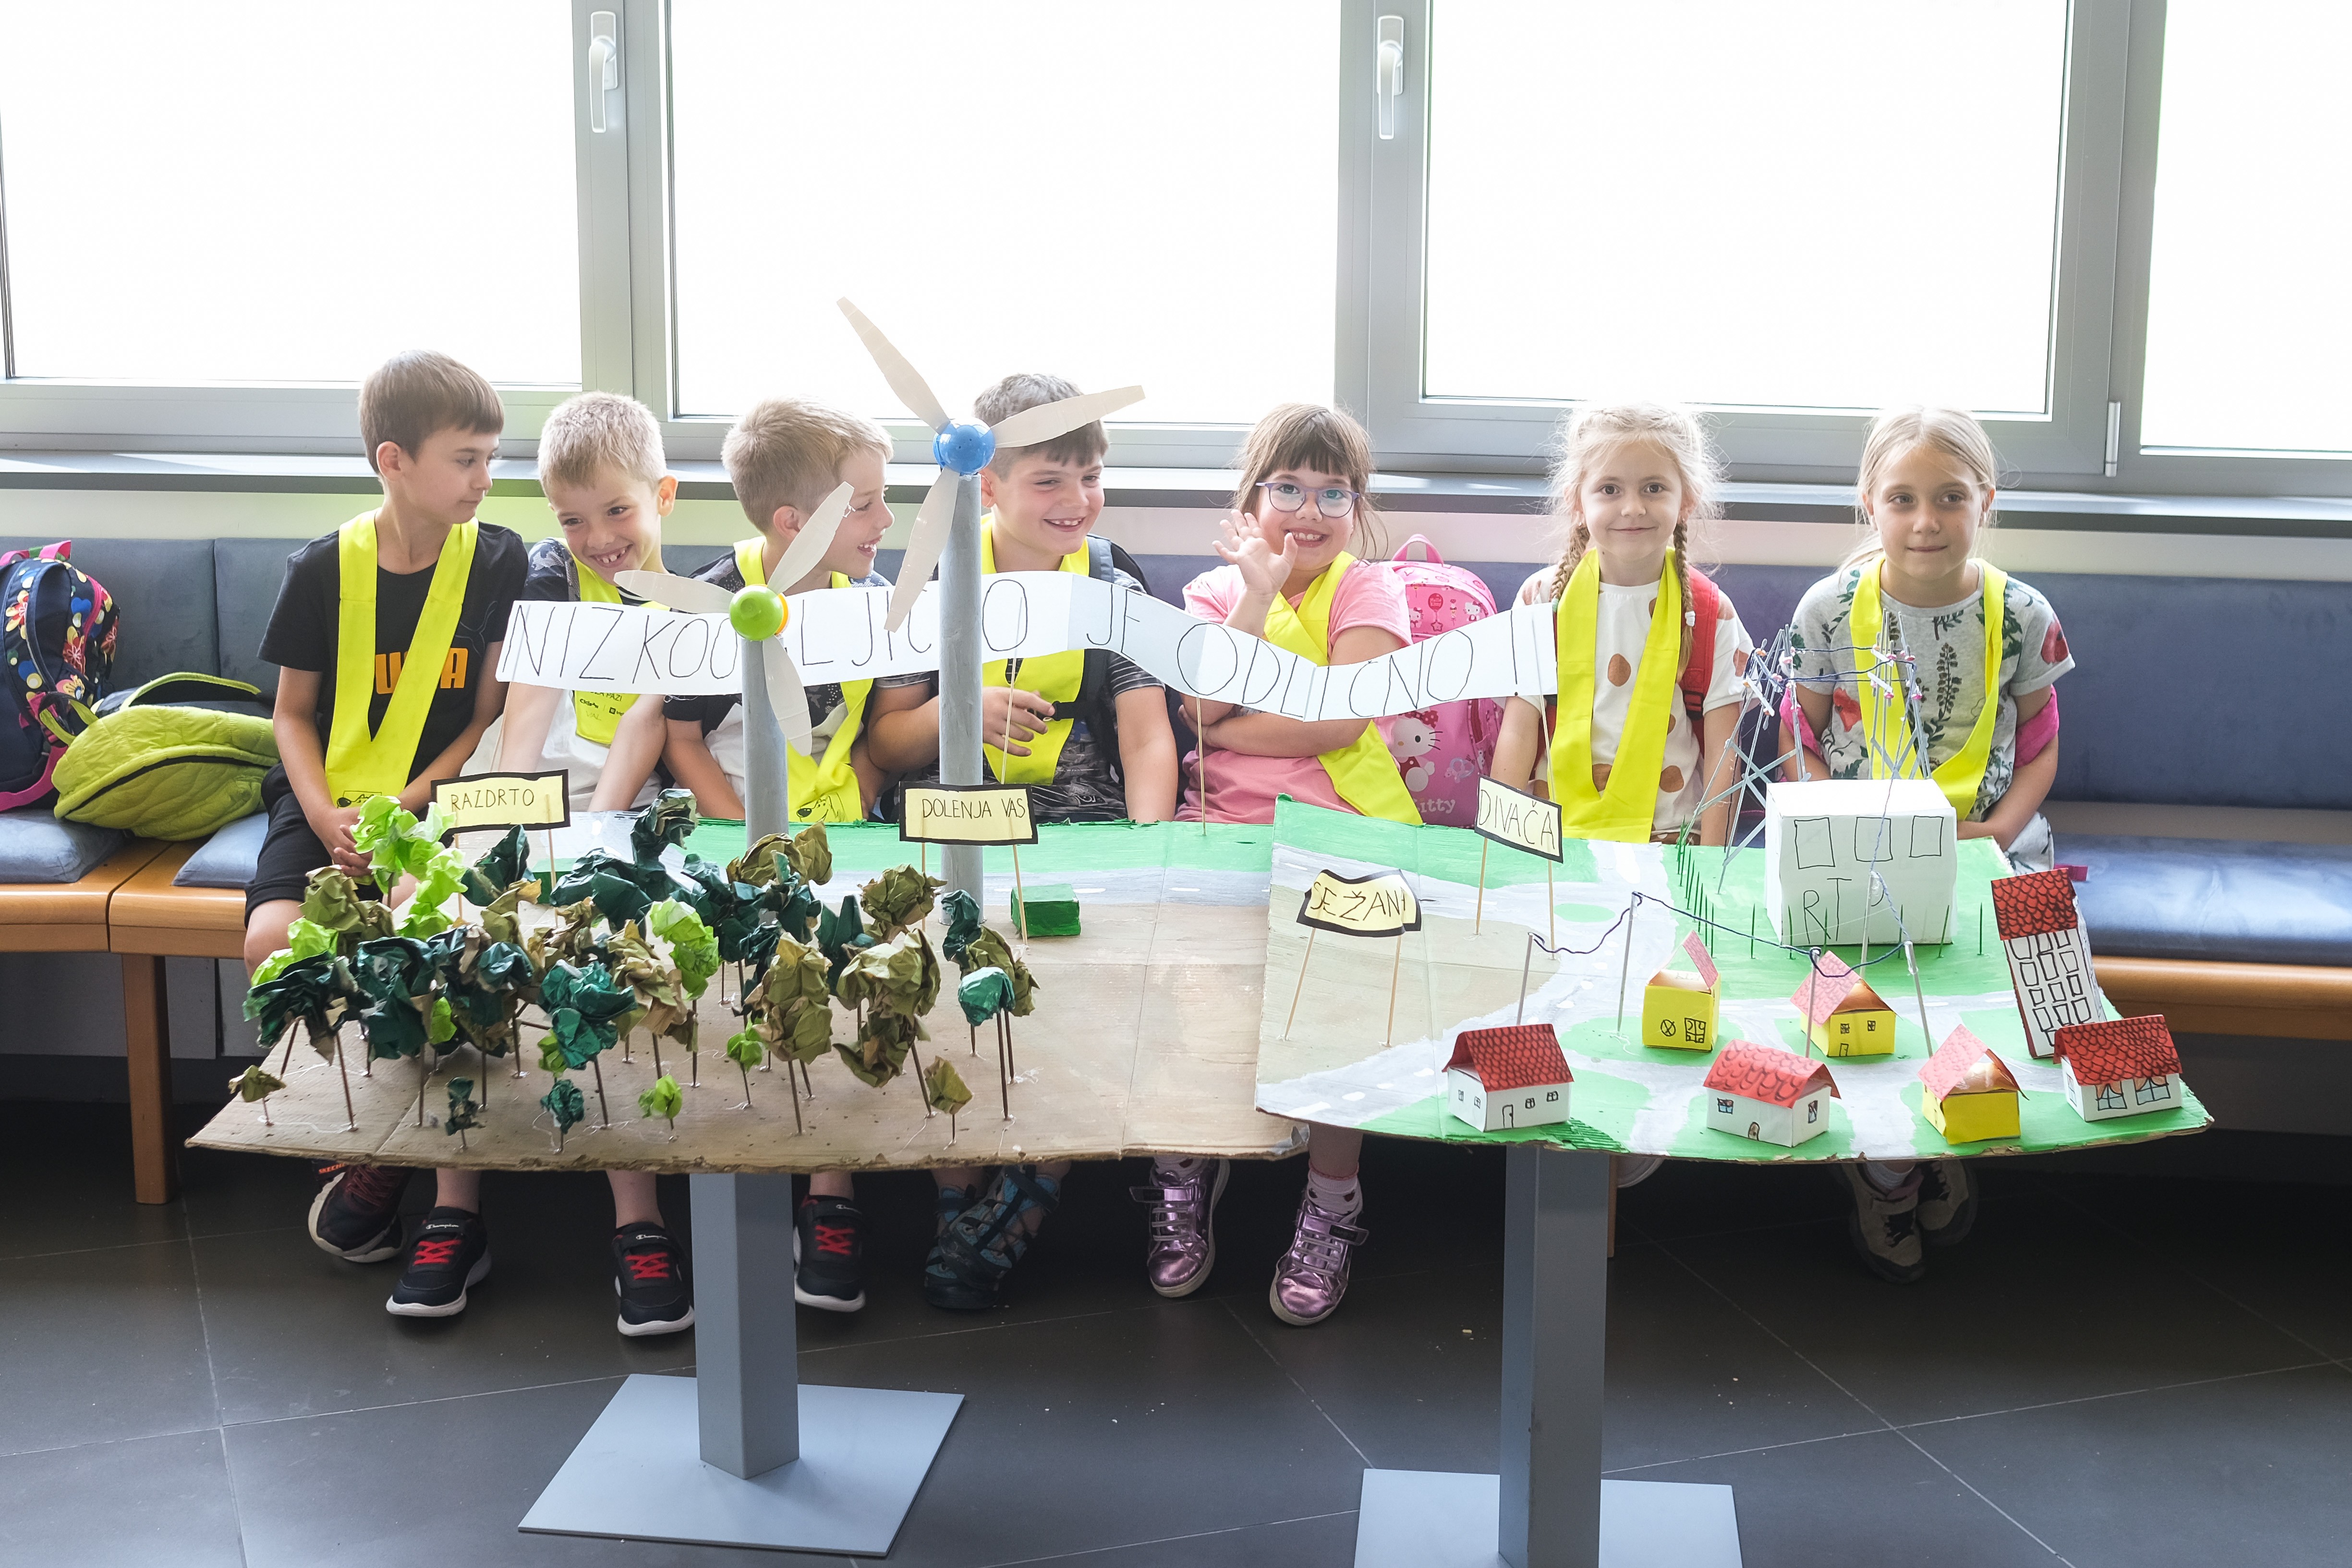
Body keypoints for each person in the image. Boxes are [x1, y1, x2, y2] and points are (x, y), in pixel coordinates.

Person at [379, 389, 695, 1337]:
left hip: (615, 804)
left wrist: (588, 847)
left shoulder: (691, 601)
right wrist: (504, 853)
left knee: (609, 951)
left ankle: (638, 1221)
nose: (598, 538)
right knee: (449, 936)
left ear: (662, 496)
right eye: (573, 518)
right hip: (518, 789)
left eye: (617, 511)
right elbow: (524, 720)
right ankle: (454, 1206)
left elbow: (645, 730)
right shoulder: (550, 576)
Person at [866, 372, 1178, 1312]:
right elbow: (887, 743)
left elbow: (1148, 738)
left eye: (1090, 477)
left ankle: (1031, 1184)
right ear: (986, 484)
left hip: (1077, 834)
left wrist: (1147, 854)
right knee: (928, 976)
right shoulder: (930, 576)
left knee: (1073, 988)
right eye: (1049, 479)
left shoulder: (1111, 583)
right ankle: (956, 1185)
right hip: (943, 830)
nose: (1076, 500)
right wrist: (959, 708)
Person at [597, 397, 902, 1315]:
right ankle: (653, 1219)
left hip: (840, 840)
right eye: (867, 504)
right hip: (731, 837)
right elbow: (681, 739)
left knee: (855, 972)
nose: (887, 521)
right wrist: (754, 842)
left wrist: (851, 821)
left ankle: (831, 1194)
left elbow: (868, 741)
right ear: (793, 522)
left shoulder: (876, 601)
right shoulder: (714, 597)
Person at [242, 351, 528, 1319]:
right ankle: (354, 1143)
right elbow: (291, 716)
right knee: (273, 943)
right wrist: (327, 815)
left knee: (423, 932)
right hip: (325, 801)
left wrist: (407, 804)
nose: (485, 478)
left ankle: (411, 1158)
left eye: (492, 457)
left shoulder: (500, 559)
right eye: (466, 458)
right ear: (393, 461)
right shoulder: (321, 568)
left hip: (435, 799)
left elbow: (486, 716)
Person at [1784, 405, 2074, 1285]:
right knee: (1860, 999)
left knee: (1993, 995)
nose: (1925, 520)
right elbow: (1799, 735)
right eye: (1902, 498)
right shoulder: (1827, 609)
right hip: (1859, 848)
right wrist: (1833, 824)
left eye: (1949, 497)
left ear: (1984, 501)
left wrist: (1998, 834)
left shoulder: (2021, 612)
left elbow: (2040, 742)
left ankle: (1950, 1119)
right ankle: (1885, 1171)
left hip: (1990, 843)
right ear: (1868, 503)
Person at [1147, 402, 1421, 1327]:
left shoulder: (1369, 589)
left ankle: (1331, 1203)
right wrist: (1255, 598)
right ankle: (1183, 1170)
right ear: (1252, 499)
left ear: (1356, 507)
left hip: (1345, 829)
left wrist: (1228, 723)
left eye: (1333, 493)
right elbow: (1196, 711)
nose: (1309, 510)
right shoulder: (1209, 594)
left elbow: (1340, 721)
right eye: (1289, 488)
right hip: (1218, 829)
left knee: (1340, 999)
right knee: (1180, 988)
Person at [1486, 401, 1757, 1199]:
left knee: (1645, 999)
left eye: (1652, 488)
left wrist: (1707, 874)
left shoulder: (1708, 613)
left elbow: (1723, 760)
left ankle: (1633, 1128)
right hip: (1558, 844)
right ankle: (1558, 1136)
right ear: (1578, 501)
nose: (1630, 507)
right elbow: (1519, 729)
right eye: (1608, 488)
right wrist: (1499, 846)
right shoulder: (1540, 599)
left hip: (1665, 847)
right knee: (1558, 994)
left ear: (1686, 500)